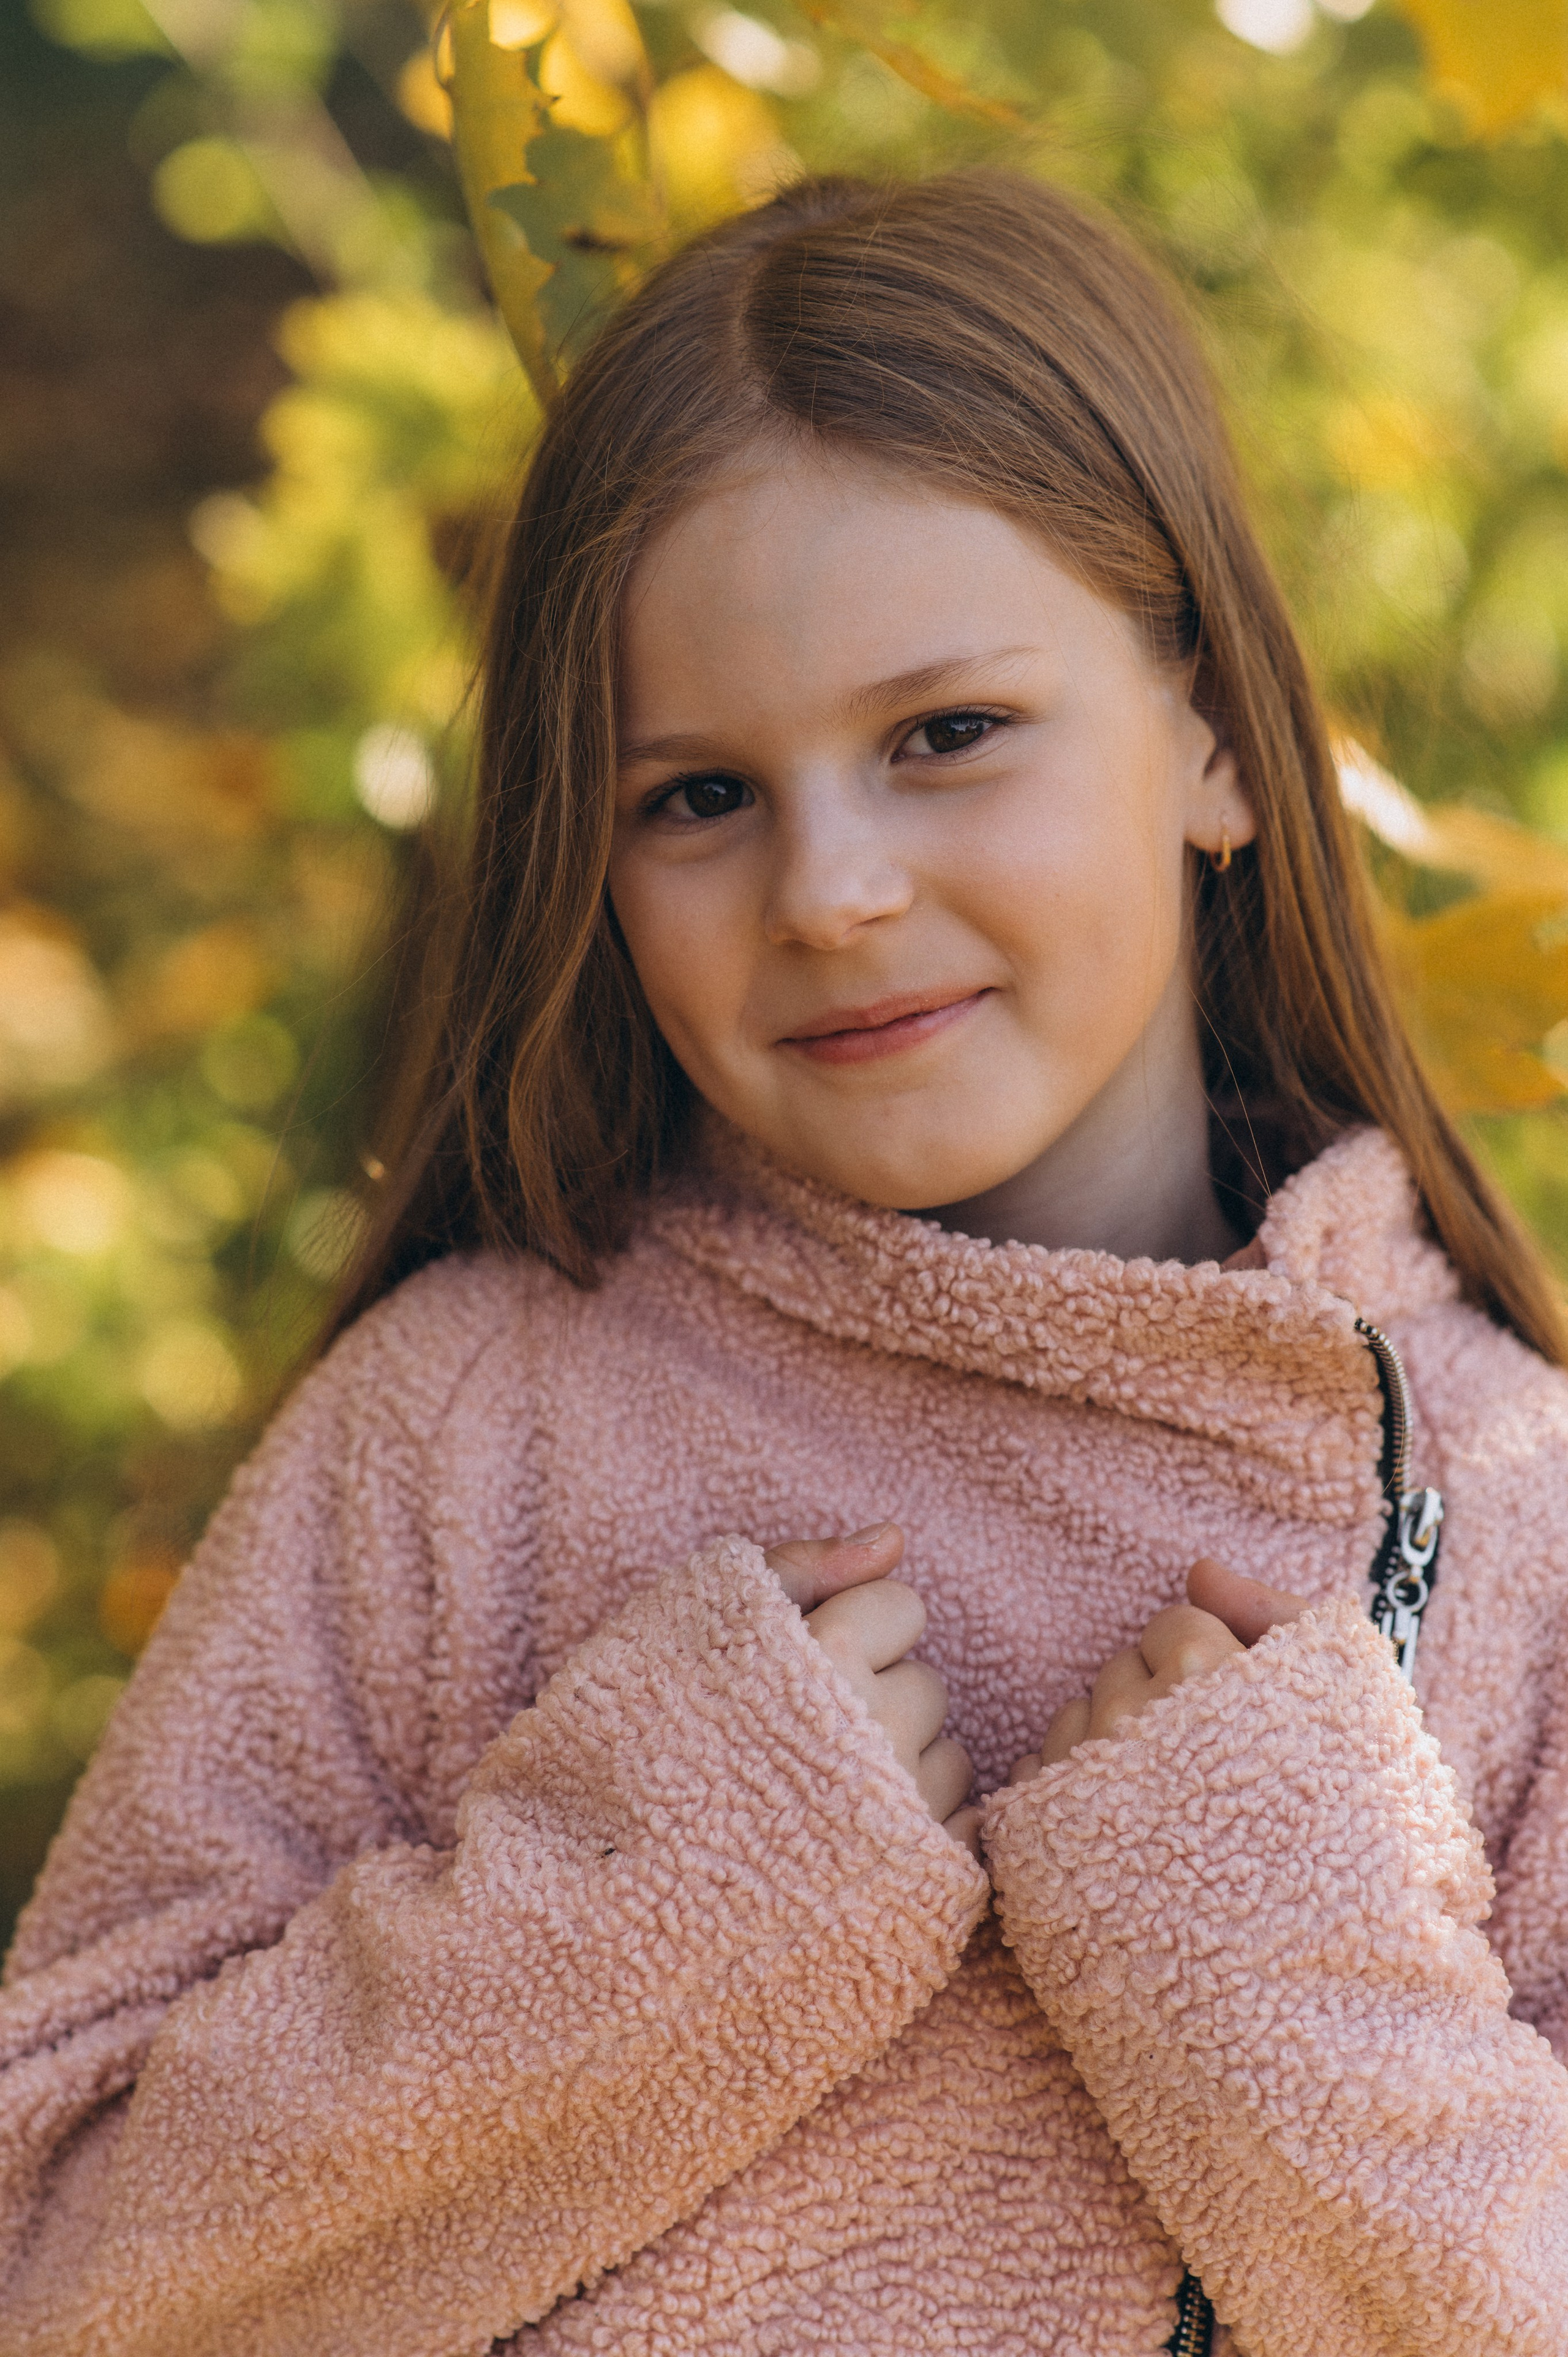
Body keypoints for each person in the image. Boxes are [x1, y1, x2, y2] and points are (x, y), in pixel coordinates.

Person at [2, 167, 1567, 2357]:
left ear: (1214, 737)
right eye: (698, 798)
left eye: (946, 736)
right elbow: (67, 2272)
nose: (830, 889)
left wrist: (1271, 1963)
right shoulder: (462, 1431)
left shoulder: (1508, 1518)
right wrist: (641, 1901)